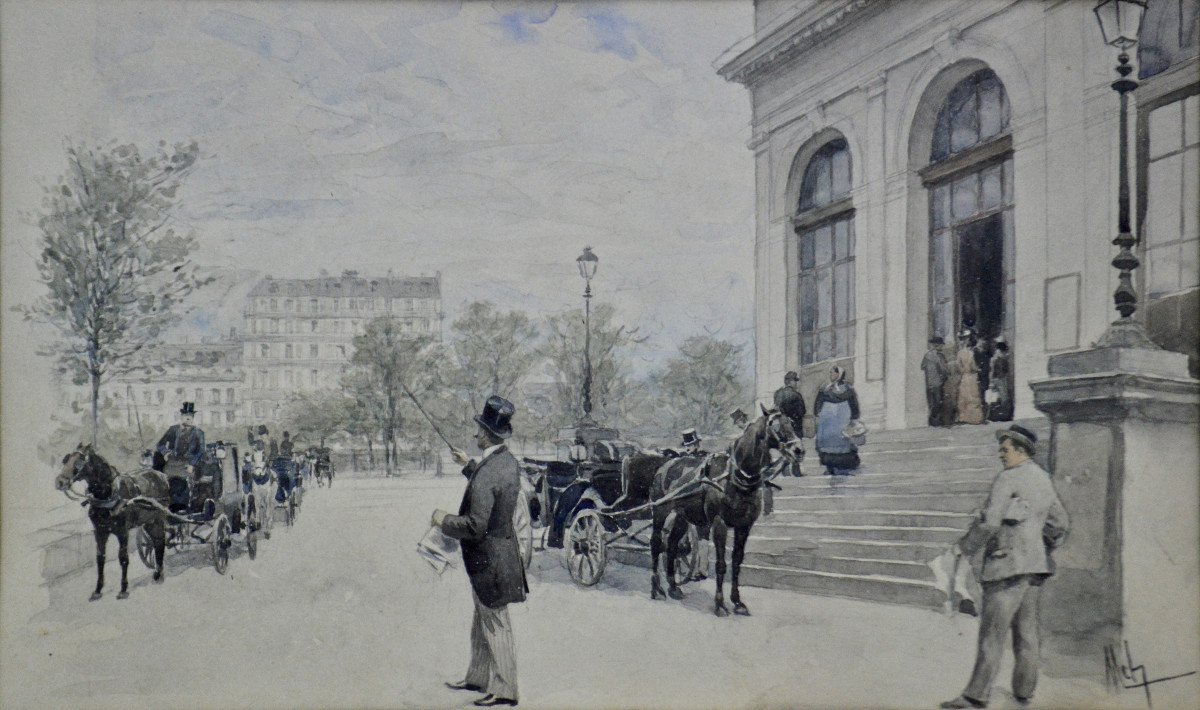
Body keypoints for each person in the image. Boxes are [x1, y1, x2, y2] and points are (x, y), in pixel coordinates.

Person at [940, 425, 1069, 709]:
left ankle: (976, 694)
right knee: (1026, 632)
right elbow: (1059, 524)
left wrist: (964, 547)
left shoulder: (1007, 479)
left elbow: (989, 522)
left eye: (1005, 449)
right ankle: (1024, 690)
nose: (1000, 454)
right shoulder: (1043, 478)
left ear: (1021, 451)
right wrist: (1038, 544)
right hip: (1034, 566)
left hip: (1005, 564)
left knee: (992, 634)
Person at [435, 396, 527, 708]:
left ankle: (504, 689)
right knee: (482, 619)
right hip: (499, 557)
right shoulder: (505, 463)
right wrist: (468, 466)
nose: (475, 435)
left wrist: (443, 520)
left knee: (495, 623)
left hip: (489, 561)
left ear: (487, 434)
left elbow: (475, 525)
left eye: (478, 430)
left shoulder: (488, 471)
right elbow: (491, 485)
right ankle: (478, 677)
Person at [156, 402, 206, 509]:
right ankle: (167, 506)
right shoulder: (173, 430)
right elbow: (160, 444)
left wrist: (192, 464)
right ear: (181, 417)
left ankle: (183, 508)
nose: (187, 419)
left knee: (183, 484)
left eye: (190, 416)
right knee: (166, 483)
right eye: (185, 416)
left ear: (192, 418)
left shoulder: (199, 433)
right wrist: (165, 452)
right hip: (172, 463)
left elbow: (201, 451)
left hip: (188, 464)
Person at [813, 366, 862, 476]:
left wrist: (854, 418)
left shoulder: (848, 389)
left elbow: (854, 405)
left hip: (842, 422)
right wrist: (818, 415)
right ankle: (830, 464)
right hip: (828, 425)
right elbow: (818, 404)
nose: (830, 375)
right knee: (828, 445)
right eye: (830, 373)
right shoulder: (825, 389)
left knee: (844, 442)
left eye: (832, 373)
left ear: (839, 374)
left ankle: (845, 464)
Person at [773, 371, 807, 476]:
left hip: (782, 426)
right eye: (795, 381)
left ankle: (785, 470)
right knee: (796, 447)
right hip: (795, 425)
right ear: (790, 382)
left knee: (785, 447)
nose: (796, 383)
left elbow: (776, 409)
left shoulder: (778, 393)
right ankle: (796, 471)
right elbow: (802, 411)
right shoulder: (796, 395)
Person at [955, 332, 985, 424]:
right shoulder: (971, 354)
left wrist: (963, 371)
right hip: (972, 377)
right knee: (973, 397)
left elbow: (958, 367)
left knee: (964, 397)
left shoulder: (959, 353)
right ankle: (975, 418)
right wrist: (978, 369)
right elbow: (973, 367)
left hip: (964, 377)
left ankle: (963, 418)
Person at [922, 336, 951, 427]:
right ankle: (935, 421)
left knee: (932, 402)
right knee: (938, 401)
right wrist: (946, 376)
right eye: (941, 345)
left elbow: (922, 367)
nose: (942, 347)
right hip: (938, 382)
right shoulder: (940, 356)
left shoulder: (927, 355)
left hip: (929, 382)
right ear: (937, 345)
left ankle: (933, 421)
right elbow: (944, 369)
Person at [987, 339, 1014, 422]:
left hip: (998, 379)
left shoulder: (996, 358)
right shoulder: (999, 359)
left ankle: (998, 416)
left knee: (997, 398)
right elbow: (993, 371)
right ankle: (999, 416)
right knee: (1001, 398)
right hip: (999, 380)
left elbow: (992, 371)